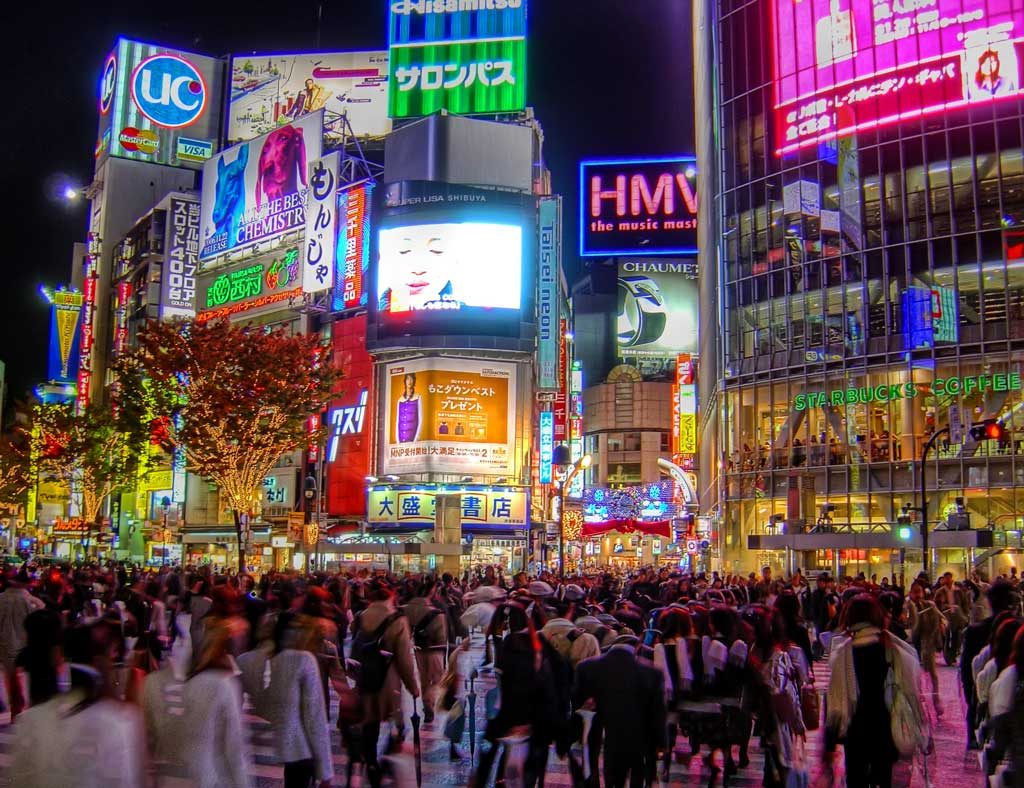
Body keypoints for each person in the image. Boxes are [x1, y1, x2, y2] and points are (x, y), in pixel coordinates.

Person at [10, 620, 146, 787]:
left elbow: (19, 779)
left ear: (60, 659)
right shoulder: (118, 722)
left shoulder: (30, 720)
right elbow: (125, 781)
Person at [826, 594, 926, 788]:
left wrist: (830, 744)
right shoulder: (891, 647)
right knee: (883, 779)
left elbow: (835, 703)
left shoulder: (843, 653)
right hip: (885, 726)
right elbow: (911, 686)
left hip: (856, 729)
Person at [143, 617, 252, 787]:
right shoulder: (223, 683)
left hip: (171, 777)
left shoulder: (155, 683)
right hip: (206, 778)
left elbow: (150, 739)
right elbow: (235, 747)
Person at [238, 612, 333, 788]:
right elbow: (315, 717)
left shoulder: (249, 660)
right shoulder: (304, 660)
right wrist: (325, 770)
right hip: (303, 749)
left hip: (280, 746)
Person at [573, 633, 667, 788]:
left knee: (613, 777)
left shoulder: (586, 667)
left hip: (606, 736)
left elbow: (576, 701)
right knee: (638, 775)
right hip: (639, 739)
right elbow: (658, 712)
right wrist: (661, 741)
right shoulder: (651, 674)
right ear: (637, 648)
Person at [354, 581, 420, 788]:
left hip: (365, 678)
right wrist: (412, 686)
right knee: (397, 723)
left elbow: (354, 649)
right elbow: (404, 659)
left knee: (370, 725)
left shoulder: (361, 616)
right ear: (391, 597)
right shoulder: (397, 620)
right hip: (388, 681)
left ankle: (371, 765)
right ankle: (387, 761)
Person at [963, 580, 1018, 748]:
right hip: (1012, 701)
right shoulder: (1018, 628)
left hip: (985, 702)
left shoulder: (975, 631)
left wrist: (972, 701)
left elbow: (967, 673)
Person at [403, 579, 448, 723]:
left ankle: (426, 703)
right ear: (431, 591)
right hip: (435, 648)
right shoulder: (437, 610)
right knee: (436, 678)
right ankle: (429, 703)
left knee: (424, 678)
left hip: (419, 647)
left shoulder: (407, 608)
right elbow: (442, 636)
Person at [0, 567, 43, 717]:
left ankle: (15, 708)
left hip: (5, 643)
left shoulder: (2, 599)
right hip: (24, 643)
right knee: (26, 677)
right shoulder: (28, 601)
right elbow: (39, 616)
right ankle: (23, 705)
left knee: (10, 676)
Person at [395, 372, 423, 444]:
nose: (409, 381)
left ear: (414, 381)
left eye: (411, 379)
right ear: (405, 381)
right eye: (407, 379)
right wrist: (398, 441)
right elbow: (397, 422)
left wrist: (415, 440)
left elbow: (421, 420)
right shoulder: (400, 400)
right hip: (401, 441)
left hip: (413, 441)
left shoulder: (418, 397)